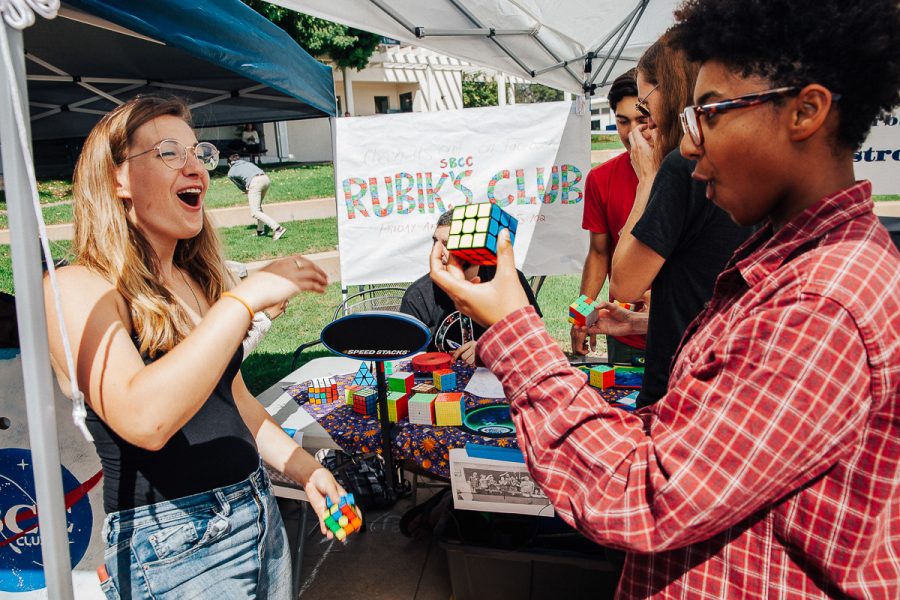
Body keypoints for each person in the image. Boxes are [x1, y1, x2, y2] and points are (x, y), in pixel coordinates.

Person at [429, 0, 900, 596]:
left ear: (805, 111)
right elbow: (687, 434)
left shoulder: (822, 306)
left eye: (709, 115)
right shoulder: (792, 269)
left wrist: (513, 327)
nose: (689, 147)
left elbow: (641, 494)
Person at [45, 96, 354, 598]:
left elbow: (232, 401)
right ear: (117, 179)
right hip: (174, 545)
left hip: (256, 511)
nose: (197, 168)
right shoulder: (76, 285)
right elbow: (144, 420)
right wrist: (242, 300)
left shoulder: (193, 279)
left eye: (198, 152)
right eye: (169, 153)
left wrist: (304, 469)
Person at [606, 34, 752, 407]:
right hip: (727, 375)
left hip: (677, 385)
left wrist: (647, 180)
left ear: (668, 90)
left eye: (644, 101)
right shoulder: (737, 159)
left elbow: (625, 284)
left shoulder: (679, 165)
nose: (644, 115)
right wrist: (644, 324)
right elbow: (704, 286)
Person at [572, 68, 648, 364]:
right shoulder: (601, 178)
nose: (632, 133)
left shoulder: (686, 173)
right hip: (623, 331)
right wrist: (581, 314)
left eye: (642, 120)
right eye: (622, 121)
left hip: (682, 329)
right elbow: (598, 253)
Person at [399, 209, 540, 364]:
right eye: (435, 242)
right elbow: (406, 360)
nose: (437, 252)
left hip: (498, 380)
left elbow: (536, 342)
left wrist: (489, 349)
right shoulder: (417, 295)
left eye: (447, 244)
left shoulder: (507, 280)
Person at [227, 153, 286, 240]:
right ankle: (260, 231)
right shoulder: (248, 163)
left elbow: (240, 185)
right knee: (258, 207)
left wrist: (246, 190)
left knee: (254, 212)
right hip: (266, 179)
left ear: (229, 163)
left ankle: (278, 229)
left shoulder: (231, 172)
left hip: (255, 183)